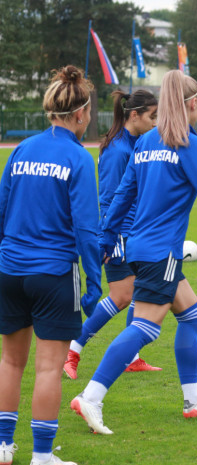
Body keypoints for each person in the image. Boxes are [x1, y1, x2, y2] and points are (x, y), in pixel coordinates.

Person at [70, 70, 197, 435]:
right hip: (161, 253)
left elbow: (123, 196)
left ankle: (191, 399)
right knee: (144, 328)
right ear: (194, 103)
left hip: (138, 247)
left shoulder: (147, 141)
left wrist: (107, 238)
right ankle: (91, 397)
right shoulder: (189, 144)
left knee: (192, 315)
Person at [0, 65, 100, 465]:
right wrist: (95, 282)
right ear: (80, 114)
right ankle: (42, 456)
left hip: (10, 270)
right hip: (54, 273)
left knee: (9, 361)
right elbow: (86, 230)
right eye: (89, 112)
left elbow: (2, 210)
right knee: (46, 369)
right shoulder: (78, 157)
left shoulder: (21, 149)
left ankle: (3, 446)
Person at [63, 89, 161, 380]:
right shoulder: (118, 150)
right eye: (152, 117)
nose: (156, 123)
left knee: (137, 294)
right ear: (134, 115)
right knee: (122, 296)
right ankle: (74, 347)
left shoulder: (135, 143)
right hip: (118, 233)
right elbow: (109, 198)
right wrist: (111, 236)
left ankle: (131, 356)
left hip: (137, 233)